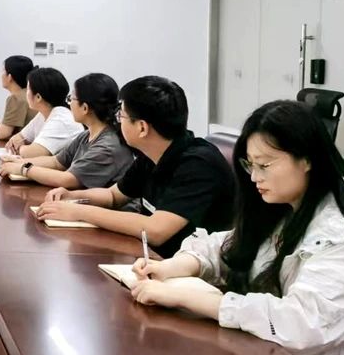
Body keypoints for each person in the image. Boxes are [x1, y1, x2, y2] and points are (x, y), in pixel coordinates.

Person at [129, 100, 344, 355]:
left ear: (307, 160)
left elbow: (302, 324)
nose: (255, 177)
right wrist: (176, 266)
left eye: (265, 165)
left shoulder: (341, 230)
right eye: (250, 165)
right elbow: (233, 245)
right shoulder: (290, 200)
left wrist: (187, 298)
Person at [37, 76, 235, 258]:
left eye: (121, 116)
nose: (117, 121)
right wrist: (72, 197)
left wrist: (78, 212)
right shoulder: (151, 154)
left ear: (142, 127)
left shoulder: (198, 164)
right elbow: (113, 196)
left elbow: (156, 231)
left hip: (191, 272)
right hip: (153, 259)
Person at [0, 73, 133, 188]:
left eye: (71, 99)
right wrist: (17, 162)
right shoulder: (86, 135)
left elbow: (68, 179)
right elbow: (57, 162)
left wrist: (24, 168)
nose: (69, 104)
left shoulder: (107, 146)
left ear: (85, 108)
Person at [2, 67, 82, 158]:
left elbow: (31, 153)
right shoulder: (44, 113)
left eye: (28, 89)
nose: (26, 93)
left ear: (38, 97)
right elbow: (20, 137)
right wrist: (16, 143)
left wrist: (18, 147)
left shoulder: (61, 119)